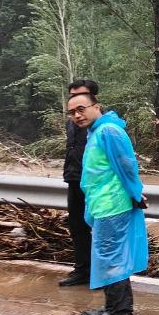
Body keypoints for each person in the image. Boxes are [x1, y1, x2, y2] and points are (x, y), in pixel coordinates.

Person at [68, 89, 148, 315]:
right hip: (102, 204)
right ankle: (112, 308)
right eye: (72, 112)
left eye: (81, 109)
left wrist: (136, 193)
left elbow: (126, 165)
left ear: (96, 106)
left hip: (112, 205)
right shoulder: (97, 131)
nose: (77, 115)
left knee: (112, 258)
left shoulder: (109, 131)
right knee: (107, 257)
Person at [60, 78, 98, 289]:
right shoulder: (72, 122)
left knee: (100, 230)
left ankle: (103, 276)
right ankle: (83, 271)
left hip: (94, 184)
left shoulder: (102, 126)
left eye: (79, 97)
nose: (75, 104)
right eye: (71, 97)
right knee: (77, 228)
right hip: (74, 180)